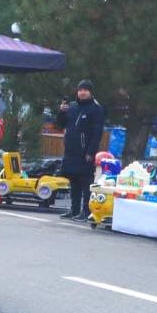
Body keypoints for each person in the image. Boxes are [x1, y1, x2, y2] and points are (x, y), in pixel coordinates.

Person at [56, 79, 105, 220]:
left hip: (85, 152)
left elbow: (97, 133)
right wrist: (61, 112)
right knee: (73, 180)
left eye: (85, 90)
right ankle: (74, 209)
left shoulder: (96, 109)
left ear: (90, 92)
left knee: (85, 182)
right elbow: (60, 125)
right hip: (71, 150)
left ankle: (86, 211)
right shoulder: (72, 106)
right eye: (80, 90)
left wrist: (91, 152)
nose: (82, 92)